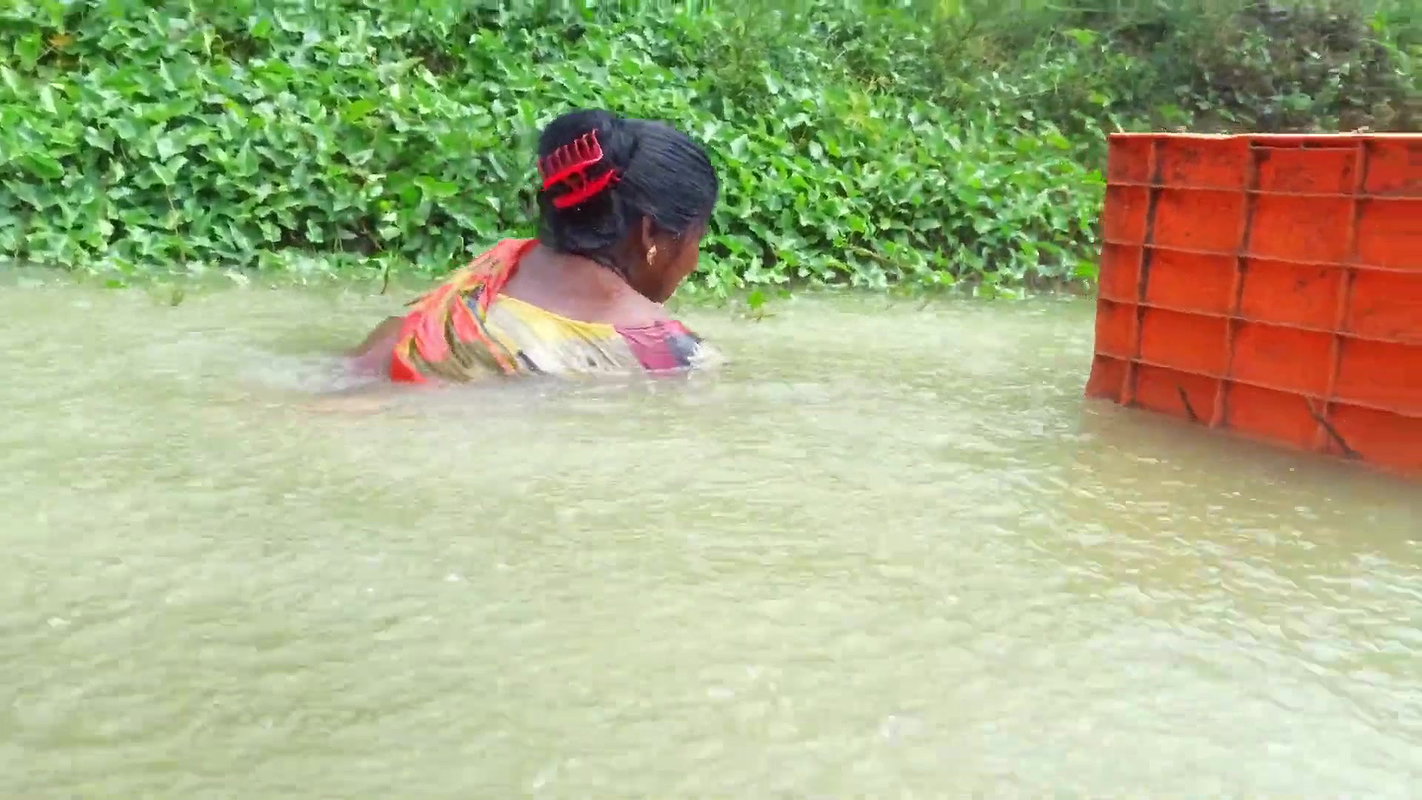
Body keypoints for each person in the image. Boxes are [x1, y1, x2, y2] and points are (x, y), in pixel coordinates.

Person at [350, 109, 721, 383]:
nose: (695, 259)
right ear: (651, 234)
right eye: (696, 238)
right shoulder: (669, 355)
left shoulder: (493, 268)